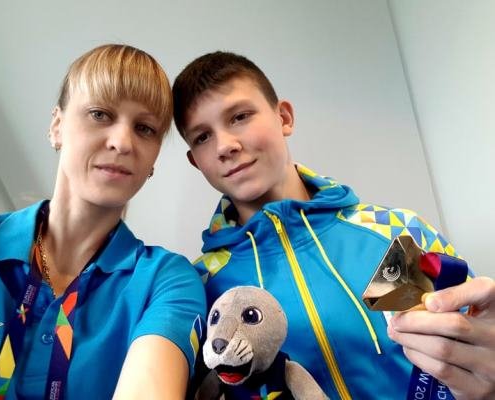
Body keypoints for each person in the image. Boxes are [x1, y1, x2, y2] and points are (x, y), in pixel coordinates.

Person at [172, 51, 495, 399]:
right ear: (195, 161)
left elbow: (474, 354)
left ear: (284, 117)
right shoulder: (200, 286)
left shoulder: (393, 235)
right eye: (202, 137)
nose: (225, 146)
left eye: (239, 116)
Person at [0, 44, 206, 399]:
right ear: (57, 126)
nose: (122, 142)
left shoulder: (166, 281)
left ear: (153, 160)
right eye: (100, 114)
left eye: (144, 128)